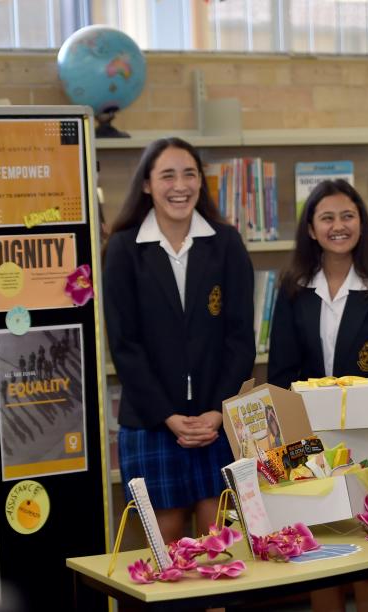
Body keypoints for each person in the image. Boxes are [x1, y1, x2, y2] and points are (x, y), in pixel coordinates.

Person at [268, 179, 368, 612]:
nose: (338, 226)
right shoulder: (293, 289)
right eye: (326, 217)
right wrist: (312, 441)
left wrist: (349, 435)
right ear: (311, 229)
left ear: (361, 224)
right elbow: (281, 373)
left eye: (347, 216)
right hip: (307, 450)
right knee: (320, 558)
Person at [103, 137, 255, 543]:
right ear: (147, 185)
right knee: (167, 550)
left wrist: (217, 412)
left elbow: (241, 338)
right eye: (167, 175)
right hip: (152, 422)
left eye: (189, 174)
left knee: (219, 546)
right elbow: (124, 345)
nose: (180, 185)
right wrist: (169, 416)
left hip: (216, 422)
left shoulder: (226, 244)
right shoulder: (123, 249)